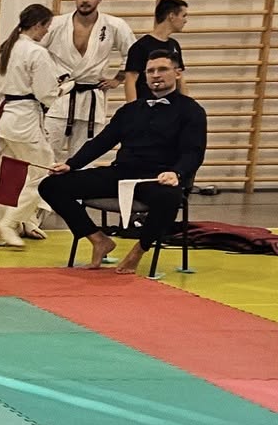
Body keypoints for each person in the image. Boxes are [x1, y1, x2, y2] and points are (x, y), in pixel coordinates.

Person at [42, 50, 205, 274]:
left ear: (177, 73)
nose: (156, 75)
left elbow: (194, 152)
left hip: (157, 178)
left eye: (162, 69)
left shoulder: (191, 111)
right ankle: (98, 239)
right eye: (150, 71)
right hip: (121, 174)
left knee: (169, 198)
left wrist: (176, 173)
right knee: (51, 185)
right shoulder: (130, 110)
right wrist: (71, 164)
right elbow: (102, 141)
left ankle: (139, 250)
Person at [0, 3, 61, 247]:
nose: (46, 31)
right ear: (37, 25)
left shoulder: (7, 48)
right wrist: (61, 89)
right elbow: (46, 92)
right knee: (44, 174)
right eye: (46, 26)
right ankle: (9, 223)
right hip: (24, 120)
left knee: (6, 175)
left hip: (3, 117)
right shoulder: (36, 52)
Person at [45, 0, 134, 164]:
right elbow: (35, 50)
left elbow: (133, 53)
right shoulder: (56, 23)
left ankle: (76, 184)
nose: (85, 0)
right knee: (46, 152)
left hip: (91, 97)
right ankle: (41, 184)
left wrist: (118, 79)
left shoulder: (114, 25)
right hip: (59, 95)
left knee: (83, 157)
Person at [126, 0, 189, 103]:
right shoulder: (141, 46)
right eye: (183, 16)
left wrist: (186, 103)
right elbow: (130, 80)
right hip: (148, 105)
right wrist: (132, 108)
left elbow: (180, 78)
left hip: (171, 105)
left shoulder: (174, 45)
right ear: (171, 16)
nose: (185, 21)